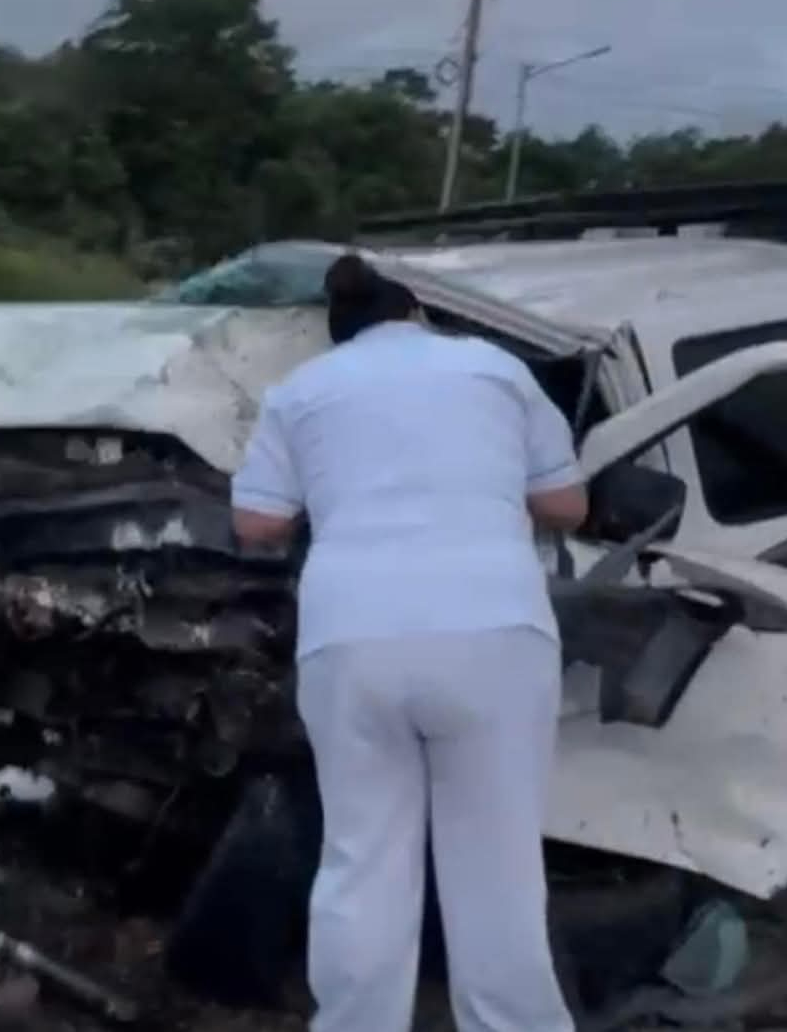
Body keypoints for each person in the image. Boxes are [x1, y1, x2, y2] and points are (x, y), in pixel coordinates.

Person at [231, 252, 588, 1032]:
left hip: (352, 638)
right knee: (497, 868)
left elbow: (256, 524)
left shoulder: (299, 390)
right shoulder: (493, 367)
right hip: (493, 631)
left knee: (361, 862)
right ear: (417, 314)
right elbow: (568, 504)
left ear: (339, 334)